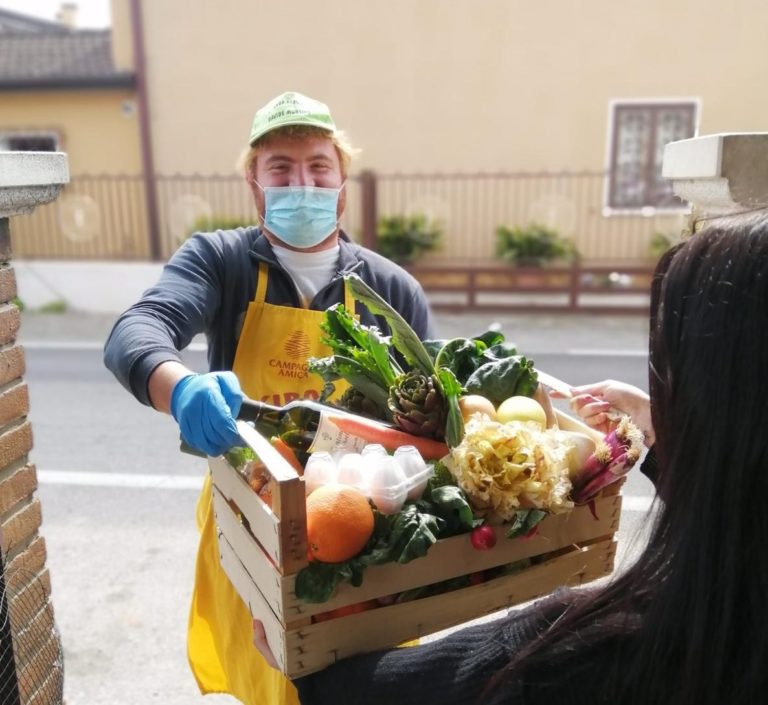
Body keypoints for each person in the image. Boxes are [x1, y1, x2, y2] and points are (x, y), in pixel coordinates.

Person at [253, 209, 768, 705]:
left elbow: (444, 683)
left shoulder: (602, 655)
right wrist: (660, 430)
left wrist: (314, 675)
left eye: (669, 373)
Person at [103, 90, 435, 705]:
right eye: (280, 168)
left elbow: (432, 413)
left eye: (318, 167)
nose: (301, 184)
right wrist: (181, 388)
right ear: (254, 183)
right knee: (267, 677)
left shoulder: (392, 289)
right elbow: (138, 329)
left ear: (342, 182)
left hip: (367, 531)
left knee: (366, 684)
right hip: (249, 517)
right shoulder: (220, 261)